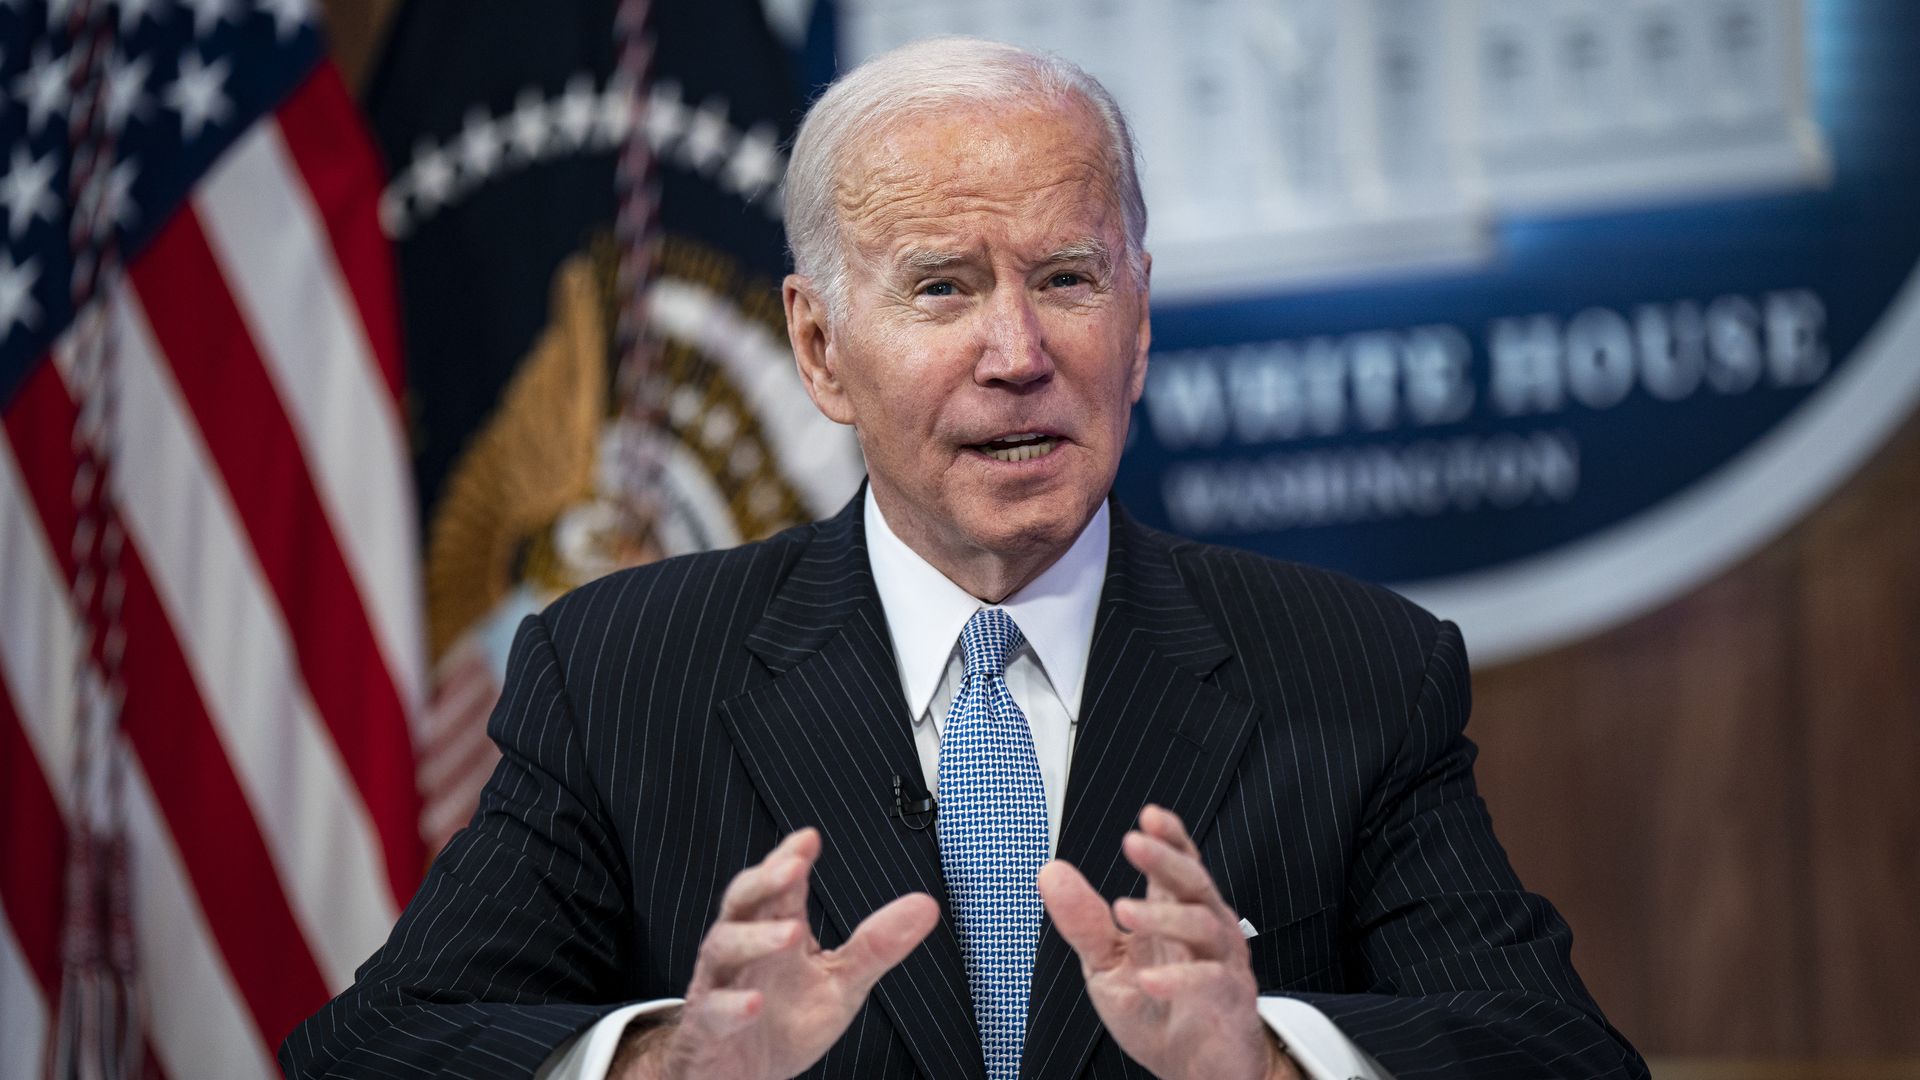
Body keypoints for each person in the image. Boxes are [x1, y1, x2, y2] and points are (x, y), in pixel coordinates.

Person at [281, 37, 1647, 1080]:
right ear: (820, 348)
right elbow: (371, 1051)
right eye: (943, 287)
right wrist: (665, 1060)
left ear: (1139, 321)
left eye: (1067, 279)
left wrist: (1271, 1060)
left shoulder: (1355, 672)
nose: (1018, 354)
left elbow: (1561, 1058)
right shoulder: (621, 671)